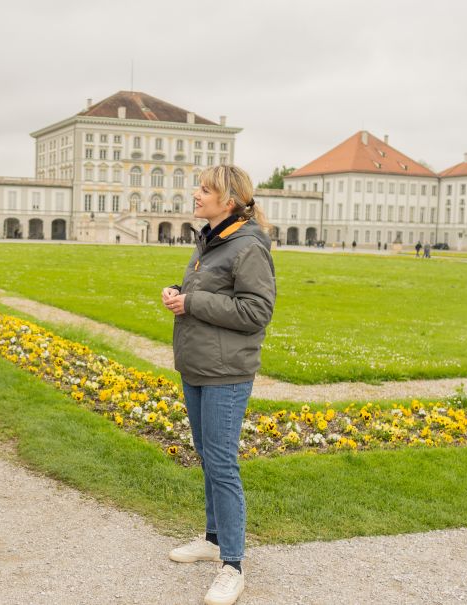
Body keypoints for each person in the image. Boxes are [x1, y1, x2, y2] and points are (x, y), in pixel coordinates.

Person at [161, 165, 276, 605]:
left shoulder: (247, 246)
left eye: (205, 190)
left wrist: (192, 301)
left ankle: (233, 564)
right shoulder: (211, 240)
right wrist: (178, 291)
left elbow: (255, 312)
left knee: (223, 464)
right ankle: (212, 540)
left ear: (227, 202)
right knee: (208, 457)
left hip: (227, 372)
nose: (196, 194)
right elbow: (209, 293)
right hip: (198, 366)